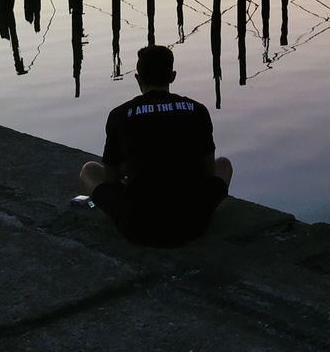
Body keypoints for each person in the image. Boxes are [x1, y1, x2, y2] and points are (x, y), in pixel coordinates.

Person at [79, 44, 232, 247]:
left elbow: (111, 179)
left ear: (138, 78)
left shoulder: (120, 114)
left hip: (138, 227)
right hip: (193, 224)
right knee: (224, 165)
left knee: (90, 170)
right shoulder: (198, 110)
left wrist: (133, 168)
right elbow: (208, 172)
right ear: (172, 76)